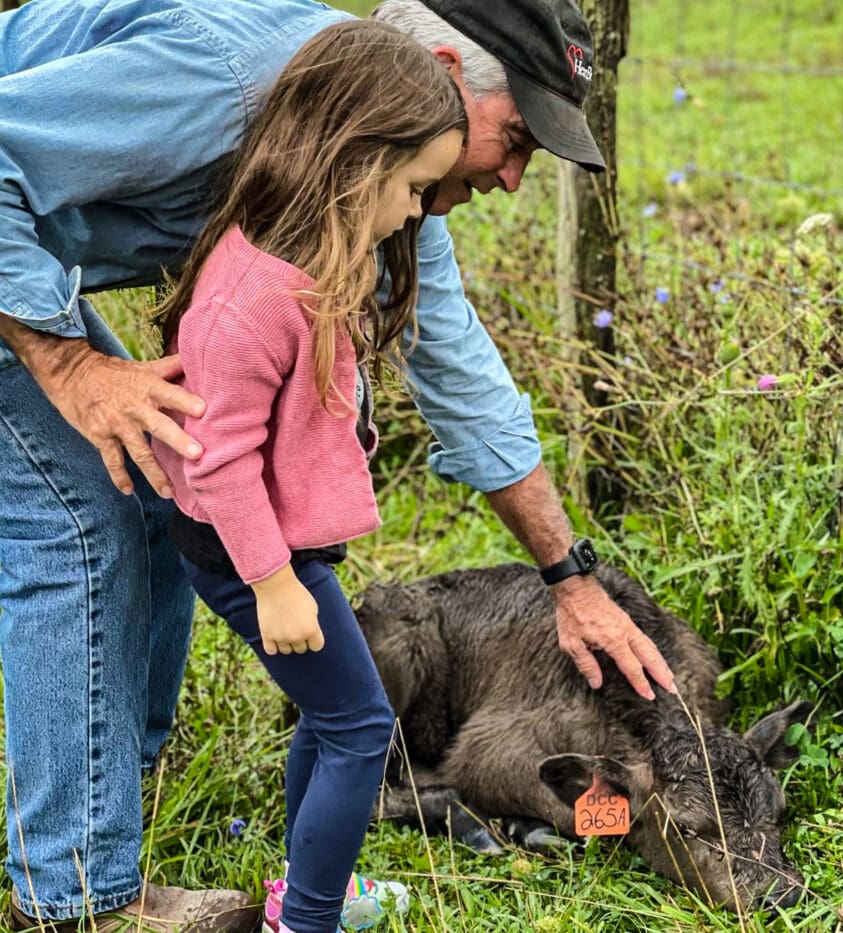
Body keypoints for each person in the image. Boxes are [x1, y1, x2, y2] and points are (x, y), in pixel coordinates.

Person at [0, 0, 676, 929]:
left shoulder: (366, 189)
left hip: (29, 257)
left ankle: (117, 795)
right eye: (516, 139)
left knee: (154, 488)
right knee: (89, 516)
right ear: (437, 72)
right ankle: (79, 896)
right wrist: (68, 364)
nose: (515, 180)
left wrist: (568, 575)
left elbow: (461, 376)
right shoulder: (227, 88)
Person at [149, 18, 467, 933]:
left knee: (337, 720)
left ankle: (302, 896)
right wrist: (274, 580)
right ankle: (309, 920)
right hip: (248, 549)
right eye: (411, 187)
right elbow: (219, 456)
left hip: (279, 549)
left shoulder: (300, 270)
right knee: (364, 728)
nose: (415, 212)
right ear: (358, 161)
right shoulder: (252, 303)